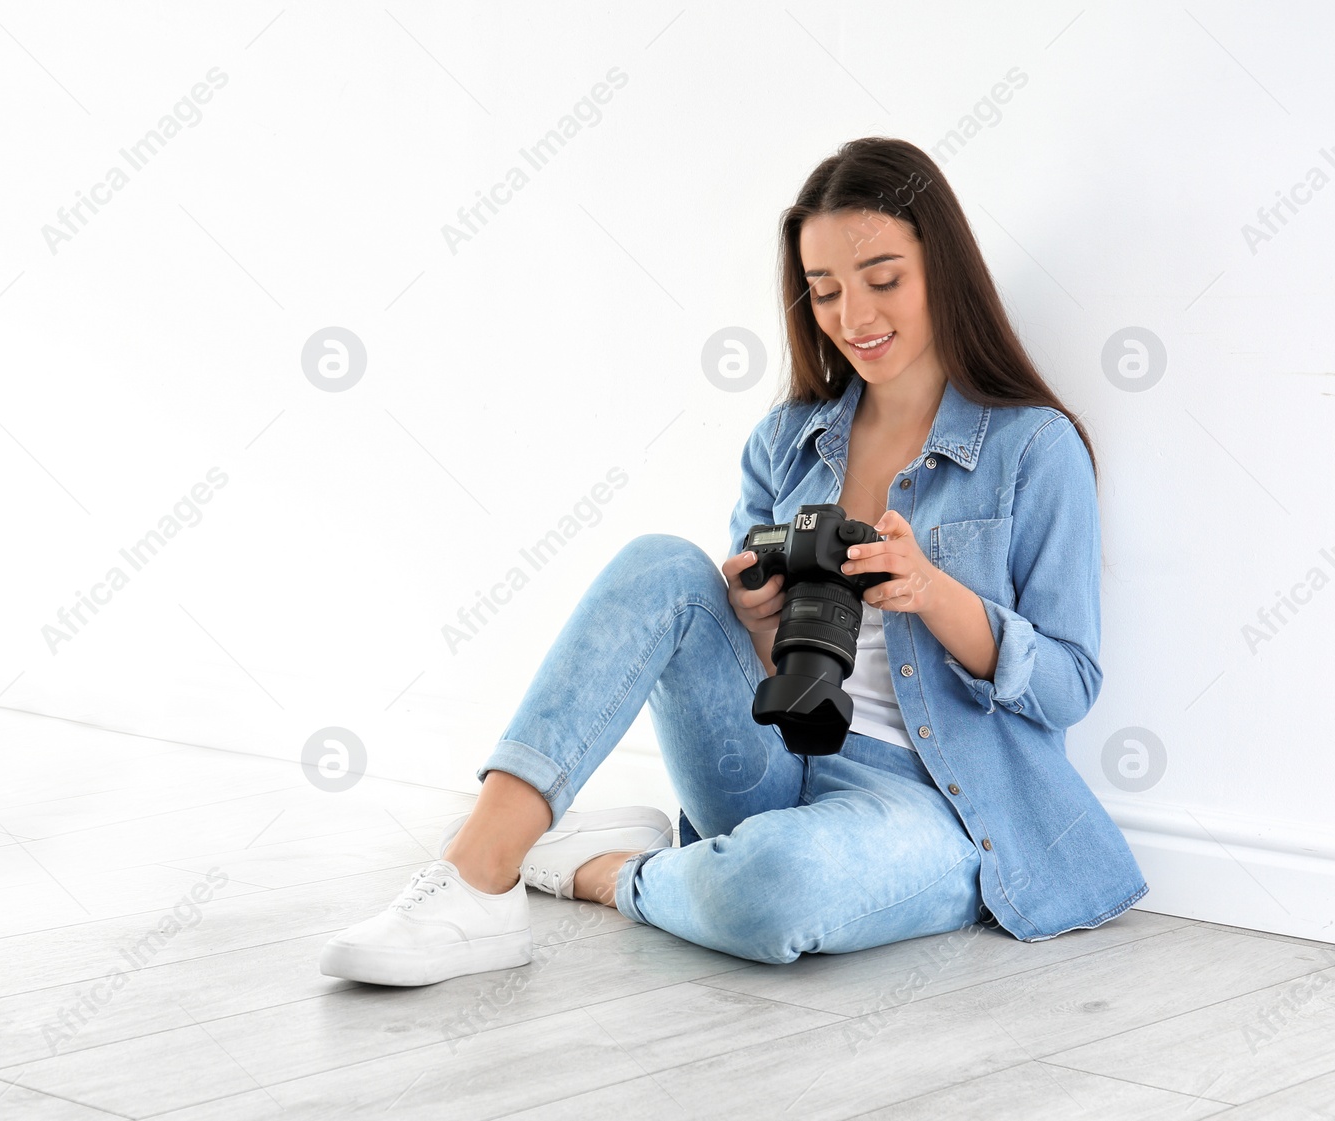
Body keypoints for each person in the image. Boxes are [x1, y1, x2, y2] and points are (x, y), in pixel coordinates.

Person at [320, 136, 1148, 987]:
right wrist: (755, 623)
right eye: (824, 291)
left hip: (936, 804)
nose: (854, 317)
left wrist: (936, 597)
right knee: (661, 564)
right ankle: (476, 875)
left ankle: (610, 871)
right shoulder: (785, 443)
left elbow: (1069, 687)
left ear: (946, 266)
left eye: (884, 279)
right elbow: (756, 668)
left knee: (781, 883)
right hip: (774, 756)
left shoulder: (1034, 449)